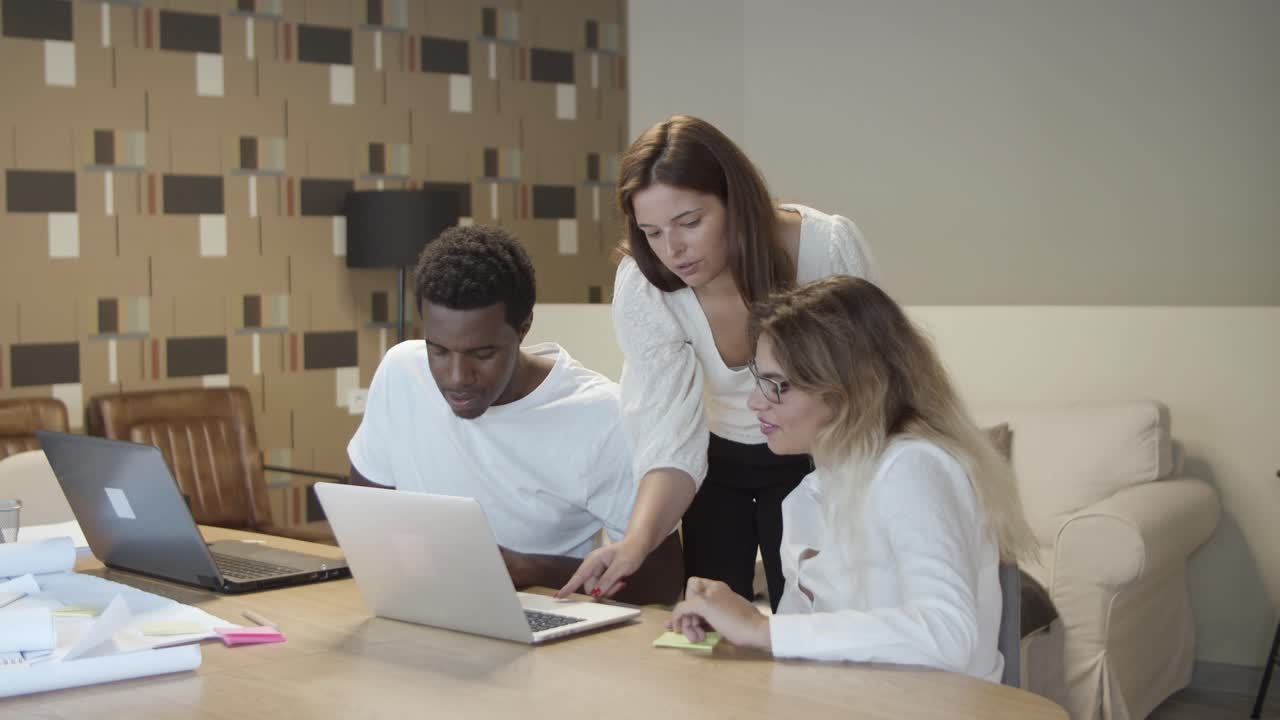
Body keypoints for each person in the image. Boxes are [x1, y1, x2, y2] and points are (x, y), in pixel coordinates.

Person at [559, 115, 879, 610]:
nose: (672, 250)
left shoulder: (824, 249)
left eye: (690, 223)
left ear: (736, 200)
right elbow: (668, 436)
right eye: (652, 232)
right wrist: (635, 543)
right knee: (705, 628)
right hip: (709, 463)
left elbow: (866, 397)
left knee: (814, 620)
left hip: (819, 455)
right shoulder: (647, 286)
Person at [664, 275, 1037, 681]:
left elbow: (948, 634)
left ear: (849, 389)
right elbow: (813, 643)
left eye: (777, 386)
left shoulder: (913, 467)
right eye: (758, 379)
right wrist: (744, 621)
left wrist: (763, 630)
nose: (755, 401)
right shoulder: (810, 494)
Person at [347, 224, 683, 606]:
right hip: (419, 604)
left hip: (542, 616)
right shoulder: (401, 372)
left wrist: (531, 569)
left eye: (482, 354)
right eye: (438, 351)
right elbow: (364, 516)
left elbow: (663, 578)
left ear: (523, 328)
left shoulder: (604, 417)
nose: (457, 378)